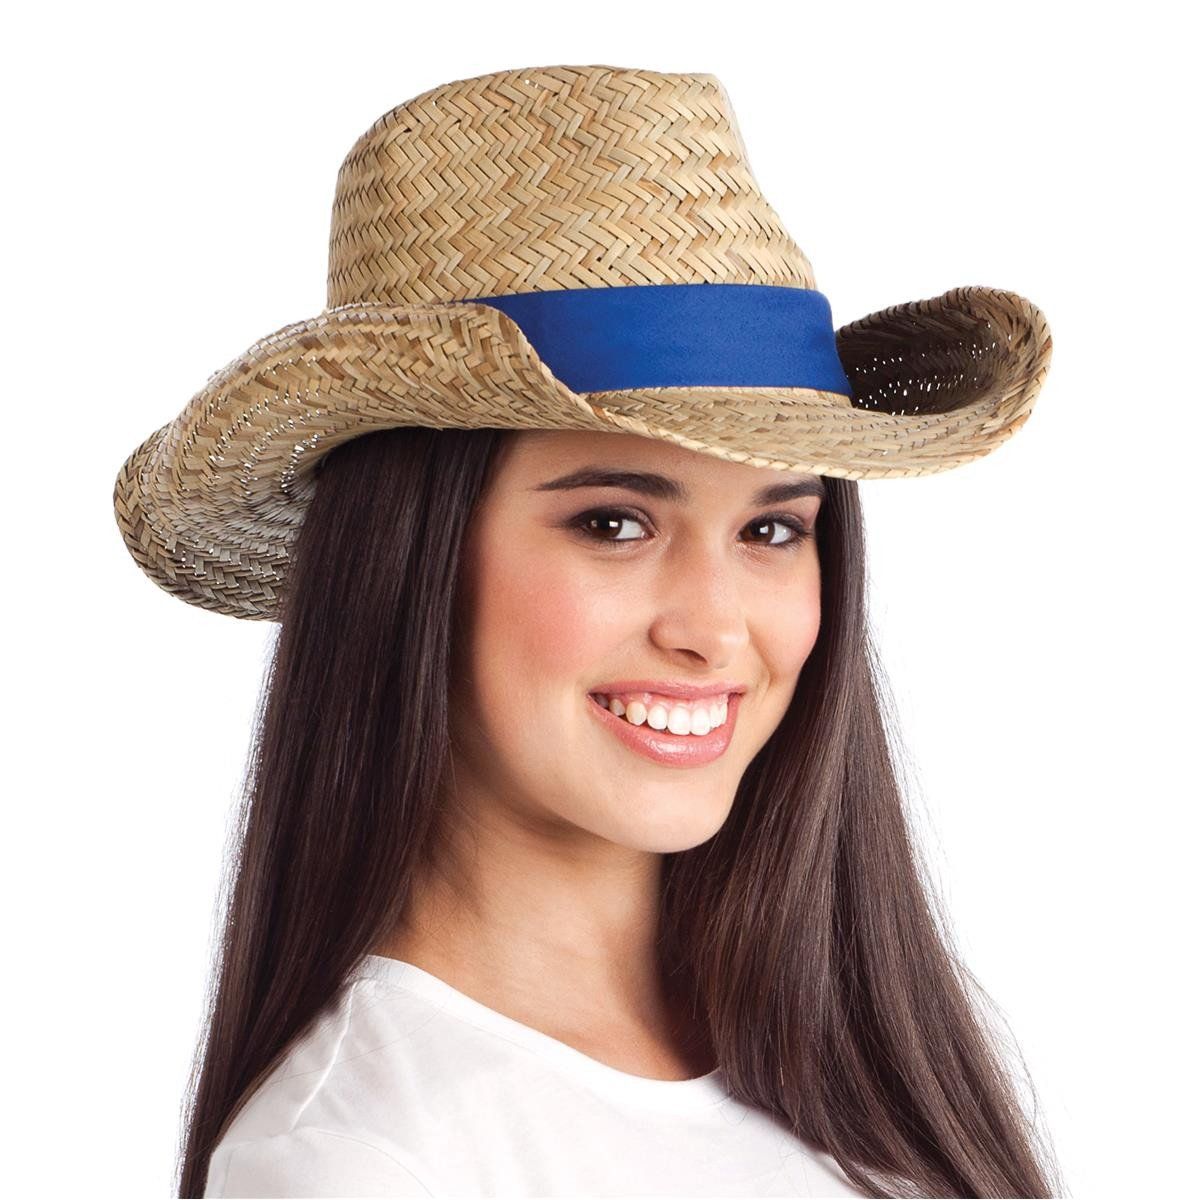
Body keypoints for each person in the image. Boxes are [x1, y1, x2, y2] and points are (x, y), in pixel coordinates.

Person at [113, 64, 1064, 1198]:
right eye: (614, 522)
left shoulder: (878, 1066)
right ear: (412, 566)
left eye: (772, 531)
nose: (716, 631)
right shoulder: (365, 1160)